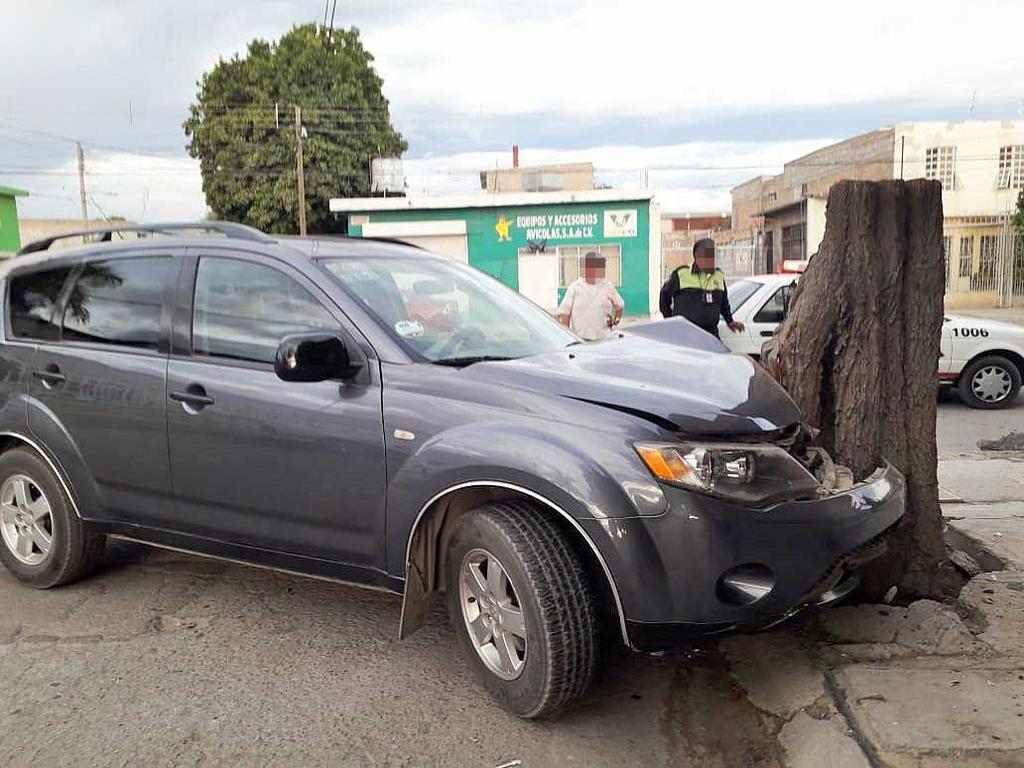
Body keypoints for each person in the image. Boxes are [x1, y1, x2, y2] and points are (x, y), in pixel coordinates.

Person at [659, 238, 745, 338]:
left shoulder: (719, 276)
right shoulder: (681, 274)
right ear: (696, 256)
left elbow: (723, 303)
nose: (710, 260)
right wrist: (670, 320)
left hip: (711, 335)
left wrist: (729, 321)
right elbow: (664, 296)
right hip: (685, 335)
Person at [556, 252, 624, 341]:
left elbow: (620, 305)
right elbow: (565, 313)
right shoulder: (575, 288)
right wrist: (568, 338)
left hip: (604, 339)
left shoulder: (608, 287)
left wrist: (616, 320)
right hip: (581, 341)